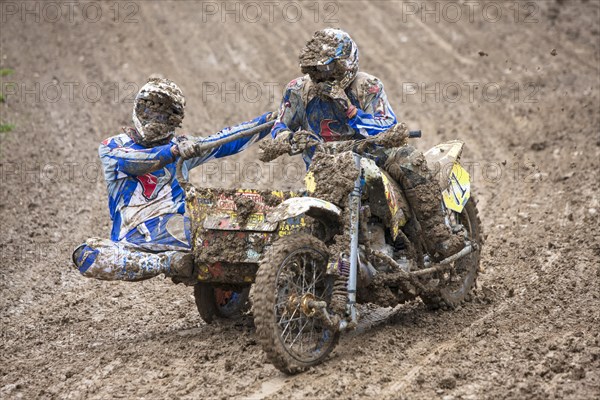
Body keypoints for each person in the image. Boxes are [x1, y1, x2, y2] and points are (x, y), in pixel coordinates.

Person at [262, 28, 463, 261]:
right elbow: (280, 125)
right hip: (324, 166)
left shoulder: (368, 86)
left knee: (410, 160)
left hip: (373, 156)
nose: (324, 74)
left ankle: (439, 237)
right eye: (317, 69)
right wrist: (287, 139)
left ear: (347, 62)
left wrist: (351, 111)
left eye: (329, 67)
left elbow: (387, 124)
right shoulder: (298, 90)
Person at [72, 77, 273, 283]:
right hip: (129, 239)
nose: (155, 119)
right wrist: (174, 151)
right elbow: (133, 162)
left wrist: (272, 119)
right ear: (138, 108)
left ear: (174, 120)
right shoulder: (113, 145)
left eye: (164, 114)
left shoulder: (184, 147)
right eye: (150, 110)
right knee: (86, 256)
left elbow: (224, 140)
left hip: (174, 229)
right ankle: (165, 263)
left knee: (223, 233)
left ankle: (268, 264)